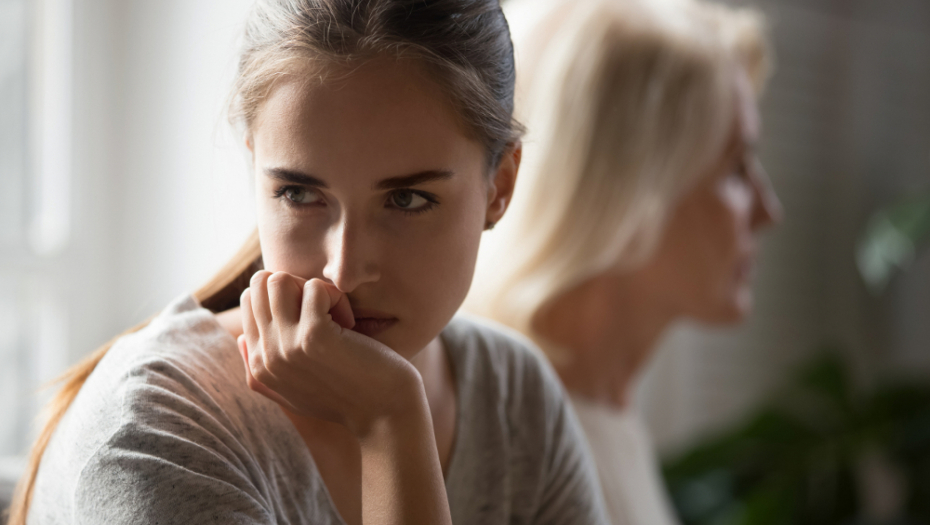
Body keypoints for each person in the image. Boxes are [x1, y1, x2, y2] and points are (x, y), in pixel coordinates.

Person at [8, 1, 610, 524]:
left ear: (499, 186)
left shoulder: (512, 395)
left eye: (407, 199)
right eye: (298, 193)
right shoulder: (153, 435)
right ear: (255, 171)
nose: (343, 272)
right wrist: (390, 422)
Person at [465, 0, 783, 524]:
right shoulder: (508, 430)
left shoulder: (604, 409)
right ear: (628, 190)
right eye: (735, 168)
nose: (769, 211)